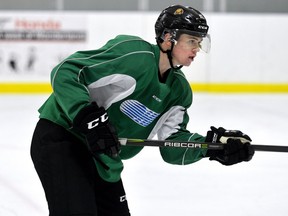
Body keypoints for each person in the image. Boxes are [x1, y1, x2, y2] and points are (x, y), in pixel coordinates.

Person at [30, 4, 254, 216]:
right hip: (63, 139)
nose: (197, 49)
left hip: (104, 159)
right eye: (192, 41)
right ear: (168, 39)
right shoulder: (135, 55)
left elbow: (172, 145)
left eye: (200, 42)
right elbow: (67, 70)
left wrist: (211, 146)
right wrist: (85, 114)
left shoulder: (179, 90)